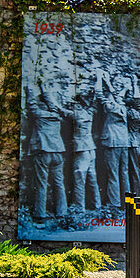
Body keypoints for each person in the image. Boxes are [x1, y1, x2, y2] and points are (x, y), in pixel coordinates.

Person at [26, 80, 67, 220]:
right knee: (58, 183)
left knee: (41, 183)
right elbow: (53, 105)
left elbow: (31, 104)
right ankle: (62, 213)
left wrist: (30, 88)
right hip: (58, 152)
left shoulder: (39, 115)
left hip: (44, 152)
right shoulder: (56, 116)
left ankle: (40, 215)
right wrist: (44, 88)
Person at [98, 71, 129, 207]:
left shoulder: (113, 106)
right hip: (124, 142)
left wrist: (101, 79)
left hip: (112, 142)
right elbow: (118, 96)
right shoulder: (123, 107)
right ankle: (127, 202)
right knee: (124, 172)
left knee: (113, 174)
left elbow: (100, 96)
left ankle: (115, 203)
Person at [67, 76, 99, 212]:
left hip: (81, 149)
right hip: (91, 148)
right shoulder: (88, 113)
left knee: (80, 179)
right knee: (92, 178)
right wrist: (97, 87)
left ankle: (80, 209)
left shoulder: (76, 114)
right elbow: (95, 103)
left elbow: (57, 108)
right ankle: (97, 206)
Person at [126, 80, 140, 203]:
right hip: (136, 143)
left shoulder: (131, 113)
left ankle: (139, 197)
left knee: (135, 171)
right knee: (138, 171)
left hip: (131, 143)